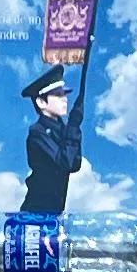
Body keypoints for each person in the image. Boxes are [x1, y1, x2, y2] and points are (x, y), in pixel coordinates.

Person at [18, 65, 84, 218]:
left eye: (64, 94)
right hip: (35, 212)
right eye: (58, 95)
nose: (65, 99)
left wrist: (73, 128)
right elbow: (66, 162)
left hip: (55, 212)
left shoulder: (64, 131)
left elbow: (75, 164)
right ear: (41, 102)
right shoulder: (38, 132)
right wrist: (73, 125)